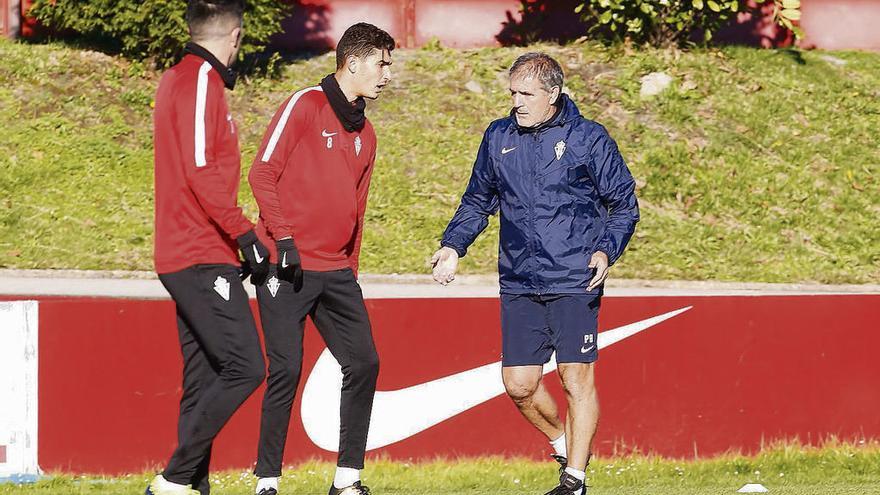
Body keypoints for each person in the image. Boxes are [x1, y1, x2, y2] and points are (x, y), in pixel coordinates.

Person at [431, 52, 639, 495]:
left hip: (574, 275)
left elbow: (623, 205)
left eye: (527, 94)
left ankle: (575, 480)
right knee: (519, 384)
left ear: (554, 94)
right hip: (520, 279)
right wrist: (453, 245)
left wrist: (606, 250)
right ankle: (565, 444)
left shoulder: (588, 138)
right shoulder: (498, 136)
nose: (518, 102)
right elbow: (476, 200)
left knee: (573, 377)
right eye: (513, 93)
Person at [247, 22, 394, 495]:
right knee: (286, 369)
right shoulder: (305, 104)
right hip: (284, 265)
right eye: (381, 63)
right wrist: (283, 238)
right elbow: (261, 172)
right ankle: (266, 482)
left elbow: (359, 208)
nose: (387, 74)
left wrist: (352, 270)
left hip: (335, 271)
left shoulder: (366, 132)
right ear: (353, 62)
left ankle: (347, 481)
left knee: (364, 363)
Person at [149, 1, 270, 494]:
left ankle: (189, 487)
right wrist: (245, 236)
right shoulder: (200, 79)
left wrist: (234, 241)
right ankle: (174, 479)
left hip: (194, 251)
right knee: (247, 366)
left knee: (202, 378)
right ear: (235, 36)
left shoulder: (180, 78)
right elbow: (201, 171)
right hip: (198, 252)